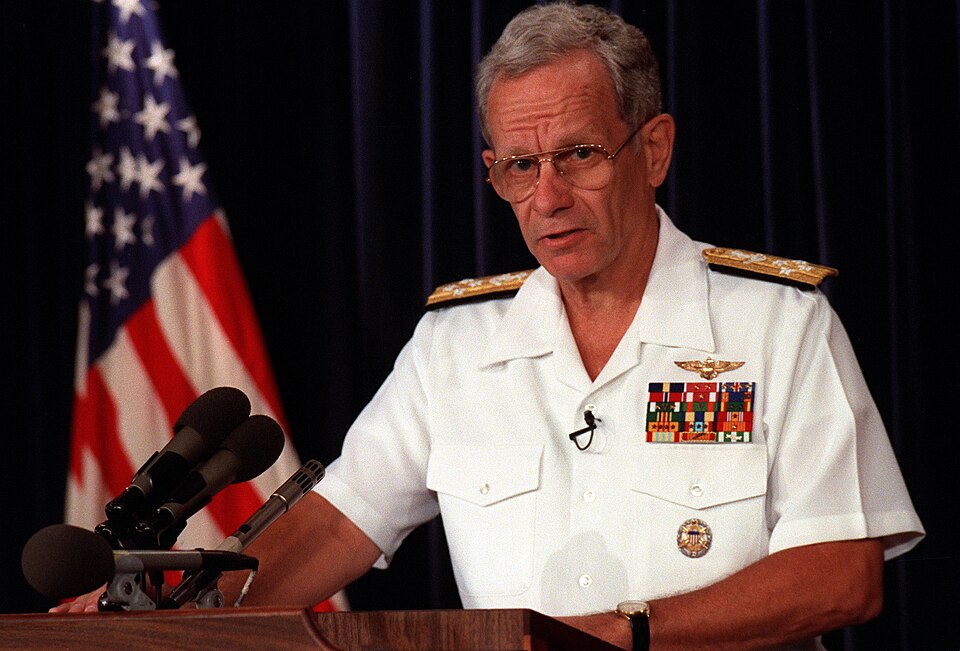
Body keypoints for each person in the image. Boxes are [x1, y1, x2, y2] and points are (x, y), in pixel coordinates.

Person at [56, 3, 924, 649]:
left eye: (579, 154)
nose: (547, 196)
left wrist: (620, 633)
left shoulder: (778, 324)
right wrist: (170, 617)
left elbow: (840, 575)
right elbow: (336, 524)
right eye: (519, 165)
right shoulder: (457, 345)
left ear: (653, 149)